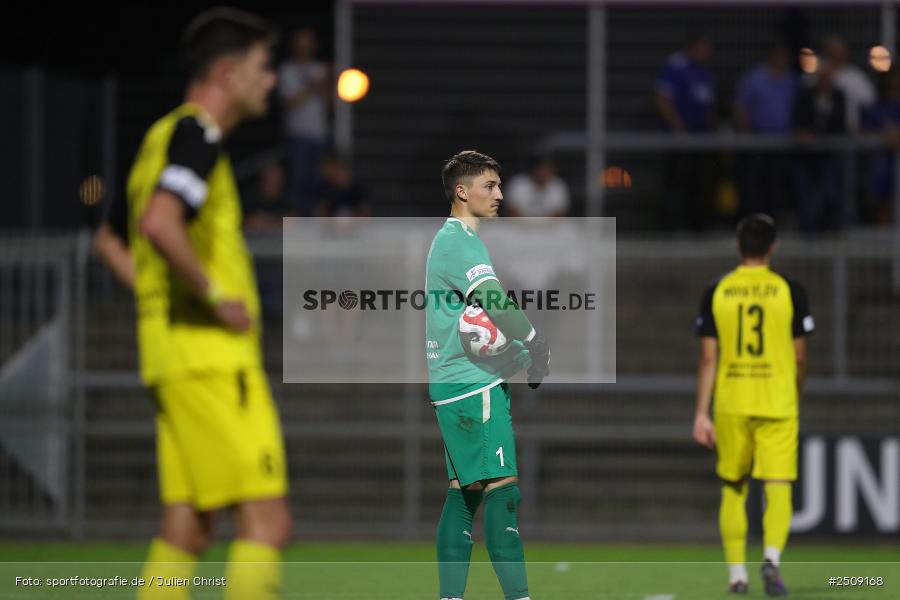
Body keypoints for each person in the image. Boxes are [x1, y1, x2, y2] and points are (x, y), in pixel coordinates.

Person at [95, 8, 291, 599]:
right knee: (268, 521)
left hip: (168, 357)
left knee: (189, 525)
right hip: (211, 360)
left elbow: (110, 238)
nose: (272, 79)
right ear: (228, 73)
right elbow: (159, 223)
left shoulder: (159, 138)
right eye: (263, 65)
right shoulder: (199, 135)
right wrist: (213, 297)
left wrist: (159, 297)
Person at [425, 150, 551, 600]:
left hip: (453, 382)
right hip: (471, 387)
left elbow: (472, 326)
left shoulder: (449, 240)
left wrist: (518, 355)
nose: (499, 195)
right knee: (503, 494)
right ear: (463, 191)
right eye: (489, 186)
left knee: (465, 495)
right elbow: (494, 303)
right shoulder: (460, 241)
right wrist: (535, 340)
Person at [693, 214, 814, 596]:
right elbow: (800, 356)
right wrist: (795, 390)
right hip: (778, 400)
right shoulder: (790, 289)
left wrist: (701, 412)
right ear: (772, 247)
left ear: (737, 245)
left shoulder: (717, 289)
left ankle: (737, 576)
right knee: (778, 486)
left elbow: (708, 358)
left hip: (732, 401)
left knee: (734, 486)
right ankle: (772, 560)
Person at [654, 32, 717, 231]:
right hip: (678, 138)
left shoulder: (705, 70)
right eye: (704, 48)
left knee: (699, 182)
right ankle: (670, 227)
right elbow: (661, 98)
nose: (707, 53)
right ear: (693, 46)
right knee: (675, 182)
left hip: (700, 138)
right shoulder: (676, 65)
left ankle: (697, 226)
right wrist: (678, 127)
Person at [733, 44, 797, 219]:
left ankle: (772, 219)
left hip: (781, 141)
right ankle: (750, 219)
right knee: (753, 183)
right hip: (757, 139)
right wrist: (745, 131)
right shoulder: (755, 78)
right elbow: (740, 106)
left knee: (775, 184)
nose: (783, 60)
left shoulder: (790, 80)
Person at [278, 29, 330, 216]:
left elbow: (331, 102)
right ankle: (300, 219)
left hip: (320, 133)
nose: (304, 47)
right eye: (301, 42)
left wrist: (327, 85)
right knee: (300, 181)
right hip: (298, 134)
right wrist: (312, 86)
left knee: (321, 180)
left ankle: (319, 220)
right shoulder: (287, 70)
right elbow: (289, 102)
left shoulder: (321, 69)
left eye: (308, 42)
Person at [792, 61, 847, 233]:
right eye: (822, 77)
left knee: (829, 193)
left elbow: (840, 125)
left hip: (828, 156)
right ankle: (807, 231)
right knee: (804, 195)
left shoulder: (839, 96)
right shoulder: (804, 95)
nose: (825, 81)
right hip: (806, 156)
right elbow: (798, 122)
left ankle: (825, 228)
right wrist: (803, 133)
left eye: (828, 78)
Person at [823, 35, 876, 132]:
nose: (836, 54)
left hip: (851, 133)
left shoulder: (856, 77)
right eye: (833, 51)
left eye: (839, 50)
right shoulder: (816, 75)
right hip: (820, 133)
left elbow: (870, 104)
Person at [504, 157, 569, 218]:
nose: (545, 173)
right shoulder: (518, 182)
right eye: (542, 169)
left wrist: (543, 225)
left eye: (549, 170)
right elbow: (511, 211)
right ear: (535, 170)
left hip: (549, 226)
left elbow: (560, 213)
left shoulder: (558, 184)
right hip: (520, 225)